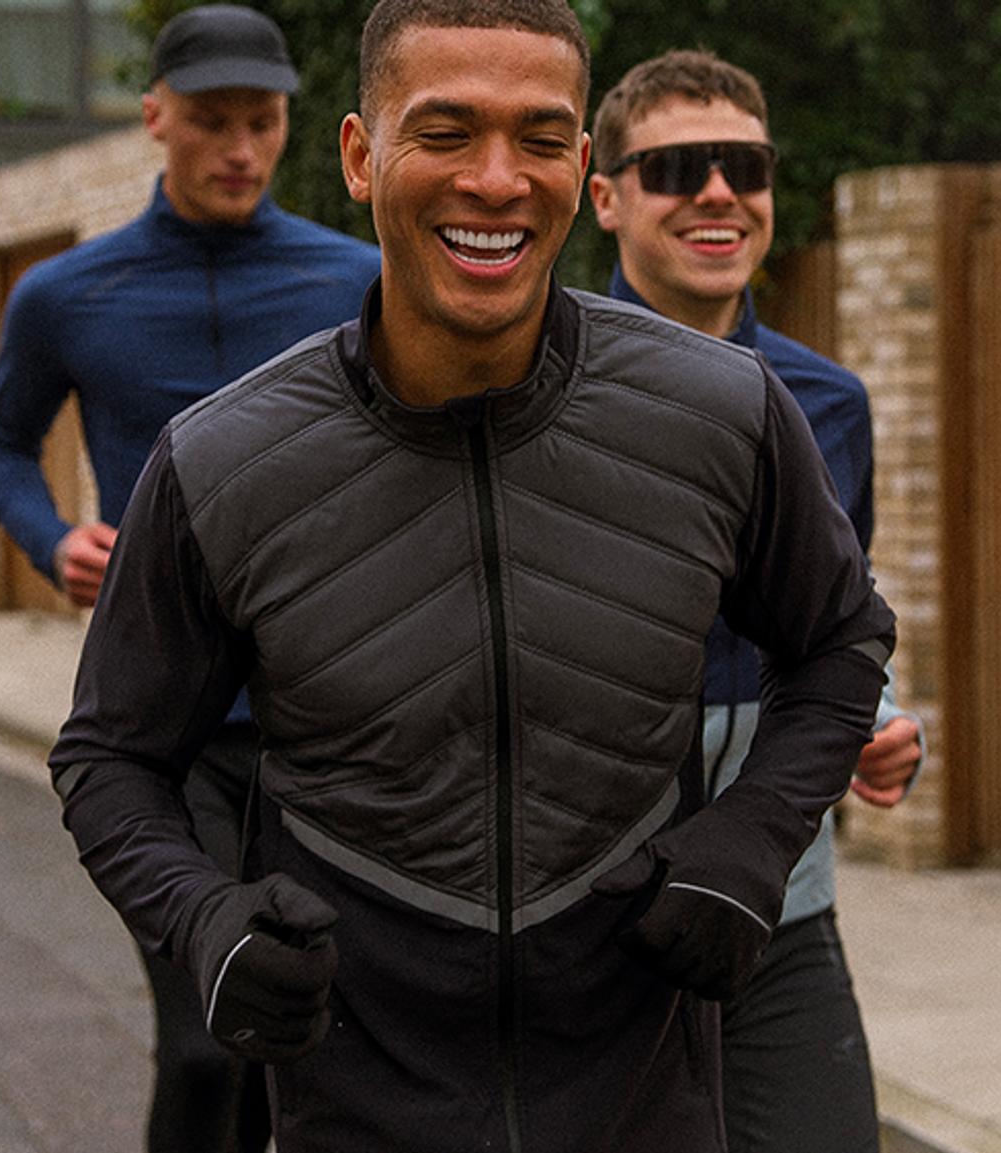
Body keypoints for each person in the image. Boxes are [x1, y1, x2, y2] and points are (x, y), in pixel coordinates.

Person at [47, 2, 897, 1151]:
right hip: (358, 1102)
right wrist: (202, 922)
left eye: (539, 140)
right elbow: (110, 755)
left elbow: (839, 642)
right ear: (359, 157)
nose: (496, 181)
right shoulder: (223, 460)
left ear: (579, 166)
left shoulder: (721, 413)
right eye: (444, 134)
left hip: (641, 1099)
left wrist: (752, 838)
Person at [0, 7, 379, 1150]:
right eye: (210, 123)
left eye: (261, 122)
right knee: (208, 1037)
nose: (239, 149)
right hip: (163, 726)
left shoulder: (358, 280)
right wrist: (50, 538)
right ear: (154, 118)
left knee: (307, 1034)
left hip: (331, 722)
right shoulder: (66, 294)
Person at [589, 49, 925, 1153]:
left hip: (779, 890)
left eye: (743, 165)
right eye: (678, 166)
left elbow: (825, 628)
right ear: (605, 195)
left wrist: (869, 726)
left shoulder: (828, 402)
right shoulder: (540, 390)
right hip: (586, 898)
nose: (718, 193)